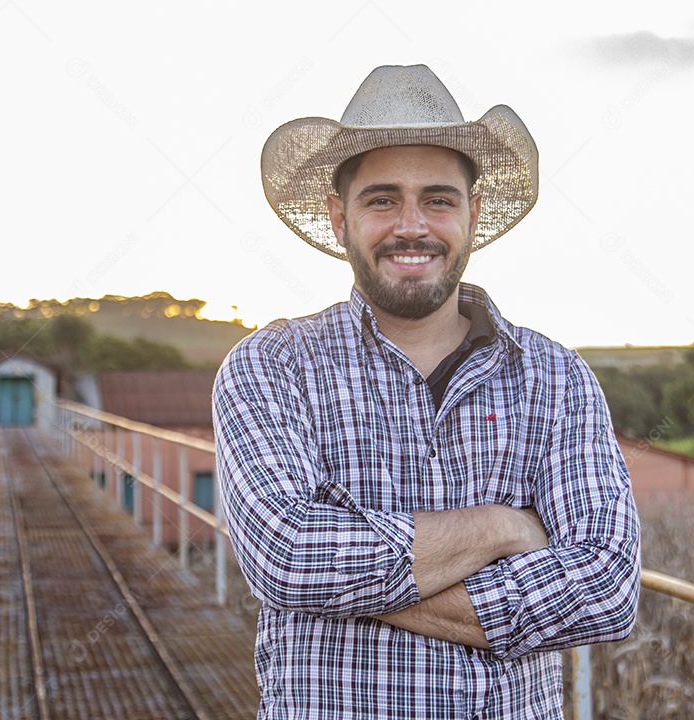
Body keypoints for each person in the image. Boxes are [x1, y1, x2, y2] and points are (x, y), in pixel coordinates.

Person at [213, 64, 640, 720]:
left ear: (472, 213)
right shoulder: (271, 367)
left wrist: (349, 574)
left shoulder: (557, 378)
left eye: (437, 199)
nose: (411, 226)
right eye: (382, 199)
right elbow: (287, 557)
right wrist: (503, 527)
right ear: (338, 216)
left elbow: (608, 588)